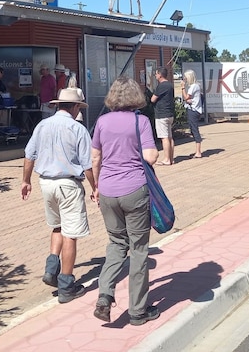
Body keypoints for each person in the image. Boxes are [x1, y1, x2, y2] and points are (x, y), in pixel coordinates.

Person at [91, 77, 161, 326]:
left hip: (108, 191)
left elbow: (96, 157)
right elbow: (150, 156)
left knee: (116, 244)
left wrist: (97, 186)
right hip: (134, 189)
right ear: (135, 97)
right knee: (139, 250)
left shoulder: (101, 121)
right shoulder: (139, 121)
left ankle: (104, 295)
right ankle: (137, 311)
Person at [22, 88, 95, 304]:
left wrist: (25, 181)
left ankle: (51, 267)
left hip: (46, 183)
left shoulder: (42, 125)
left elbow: (29, 155)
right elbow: (88, 165)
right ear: (75, 107)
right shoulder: (78, 129)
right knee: (70, 234)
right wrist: (95, 187)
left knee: (57, 226)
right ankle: (66, 285)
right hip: (68, 184)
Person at [150, 67, 176, 166]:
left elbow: (153, 99)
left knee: (164, 137)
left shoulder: (161, 86)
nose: (155, 75)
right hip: (169, 113)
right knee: (170, 137)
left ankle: (166, 159)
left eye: (156, 74)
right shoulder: (170, 85)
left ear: (160, 75)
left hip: (162, 114)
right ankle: (171, 158)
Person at [181, 70, 204, 159]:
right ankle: (197, 150)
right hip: (195, 109)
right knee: (192, 129)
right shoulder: (197, 86)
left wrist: (182, 88)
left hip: (193, 110)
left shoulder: (193, 86)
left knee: (194, 129)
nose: (184, 79)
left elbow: (186, 97)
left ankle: (198, 152)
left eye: (185, 77)